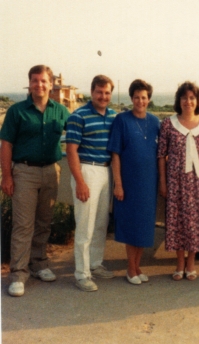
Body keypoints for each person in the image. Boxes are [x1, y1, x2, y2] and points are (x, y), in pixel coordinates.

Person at [0, 65, 70, 297]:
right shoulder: (17, 111)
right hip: (24, 172)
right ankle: (18, 274)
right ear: (29, 84)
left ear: (52, 84)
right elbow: (6, 144)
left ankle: (39, 263)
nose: (39, 85)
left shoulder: (60, 111)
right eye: (35, 81)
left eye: (44, 81)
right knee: (23, 225)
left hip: (51, 171)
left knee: (44, 221)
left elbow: (78, 132)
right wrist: (7, 176)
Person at [158, 81, 199, 281]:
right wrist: (163, 181)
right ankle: (179, 263)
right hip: (176, 182)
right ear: (179, 100)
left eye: (192, 98)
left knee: (196, 222)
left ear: (197, 100)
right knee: (178, 221)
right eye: (184, 98)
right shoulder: (169, 124)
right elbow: (161, 155)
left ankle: (191, 264)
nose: (188, 101)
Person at [66, 75, 117, 292]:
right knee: (85, 225)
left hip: (106, 171)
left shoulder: (114, 116)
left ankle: (95, 264)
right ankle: (81, 273)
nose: (103, 96)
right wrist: (80, 181)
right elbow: (71, 150)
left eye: (107, 93)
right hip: (87, 170)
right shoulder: (79, 116)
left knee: (100, 223)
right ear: (91, 92)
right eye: (99, 92)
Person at [108, 79, 160, 285]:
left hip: (149, 184)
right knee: (131, 226)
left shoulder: (156, 122)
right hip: (129, 183)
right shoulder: (122, 120)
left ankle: (138, 266)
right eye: (136, 97)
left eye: (144, 97)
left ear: (149, 99)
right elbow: (115, 154)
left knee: (144, 227)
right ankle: (130, 269)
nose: (140, 101)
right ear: (131, 99)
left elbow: (161, 155)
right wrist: (118, 184)